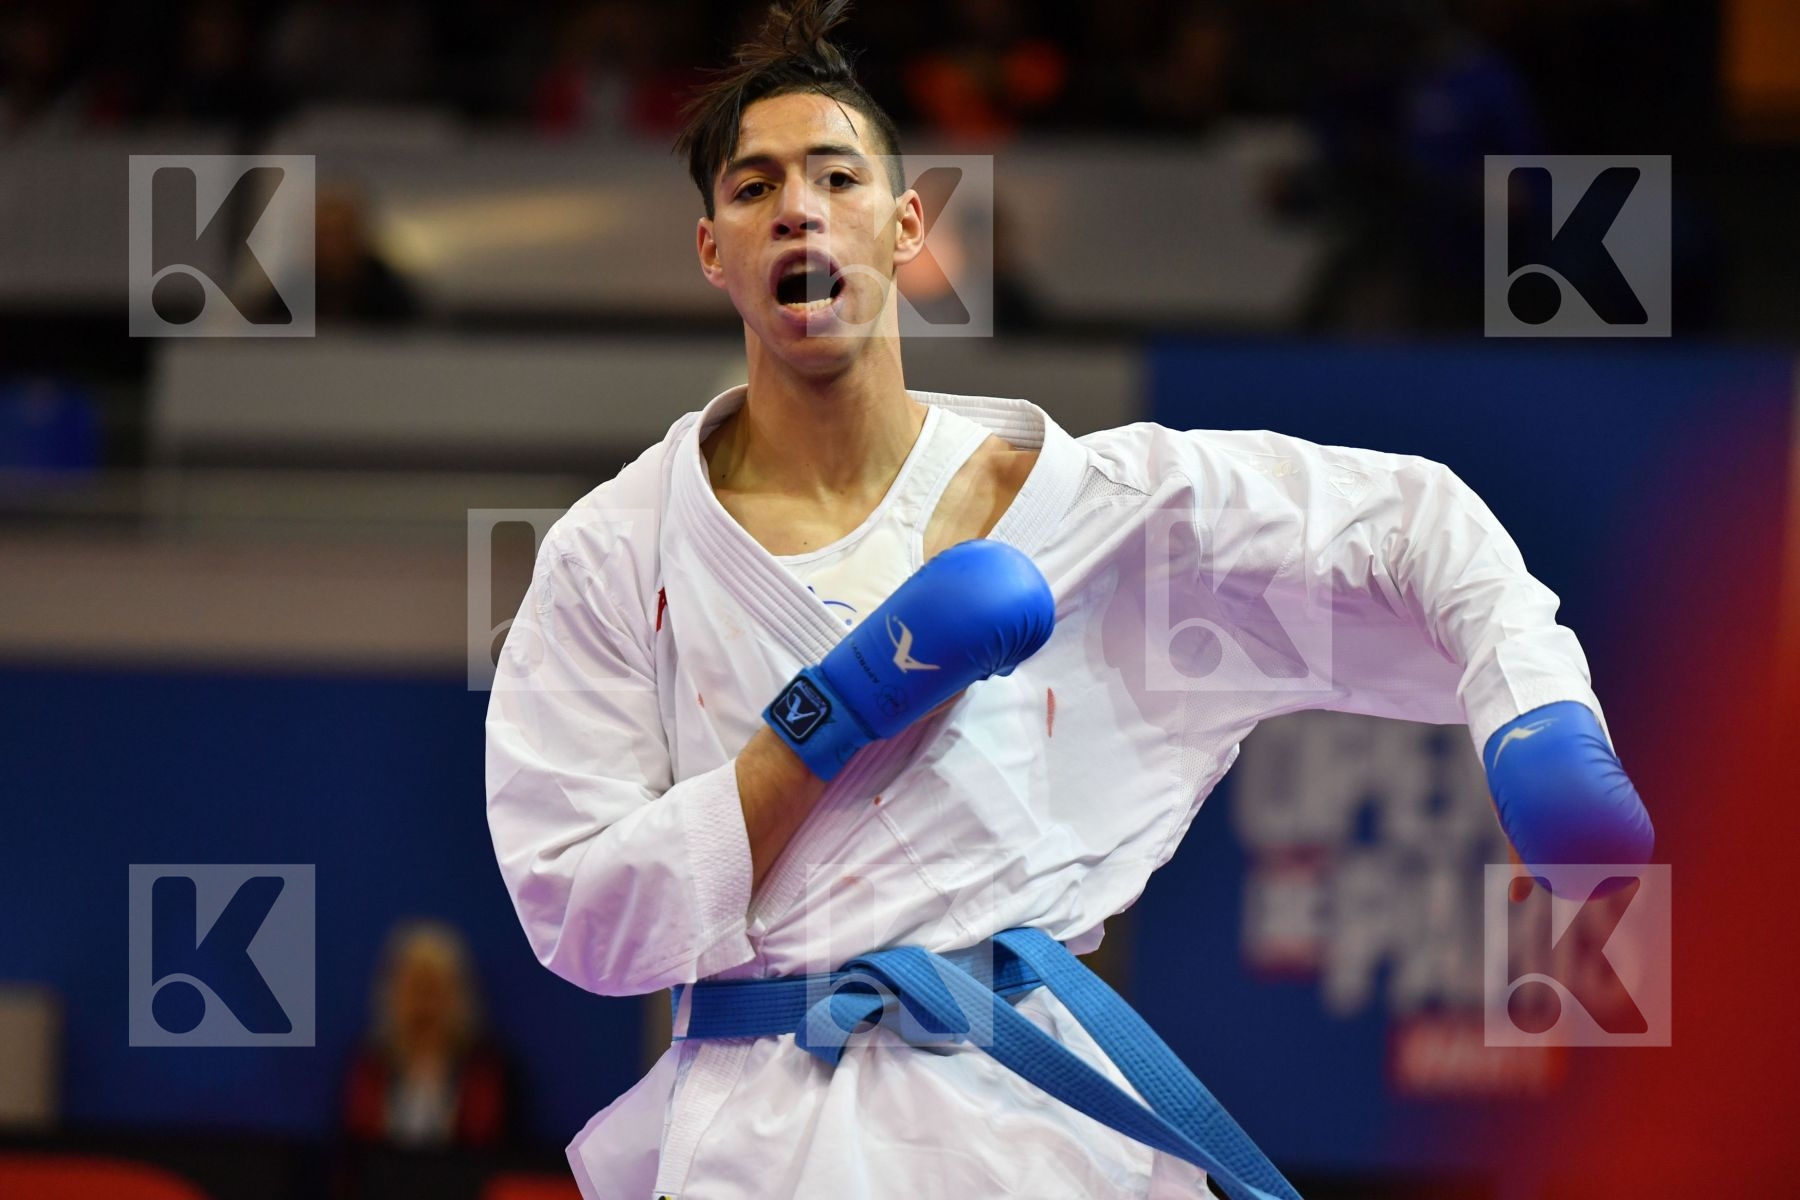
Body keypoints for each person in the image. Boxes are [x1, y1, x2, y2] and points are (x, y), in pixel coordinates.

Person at [484, 2, 1654, 1197]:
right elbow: (578, 914)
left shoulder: (1074, 508)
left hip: (1032, 1125)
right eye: (753, 187)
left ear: (905, 225)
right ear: (711, 250)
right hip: (763, 1144)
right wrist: (828, 716)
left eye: (836, 175)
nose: (797, 206)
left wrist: (1536, 713)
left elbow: (1404, 525)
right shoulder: (618, 551)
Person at [341, 919, 510, 1150]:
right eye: (414, 987)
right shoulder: (369, 1068)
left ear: (459, 997)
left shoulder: (485, 1072)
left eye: (433, 989)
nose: (423, 1003)